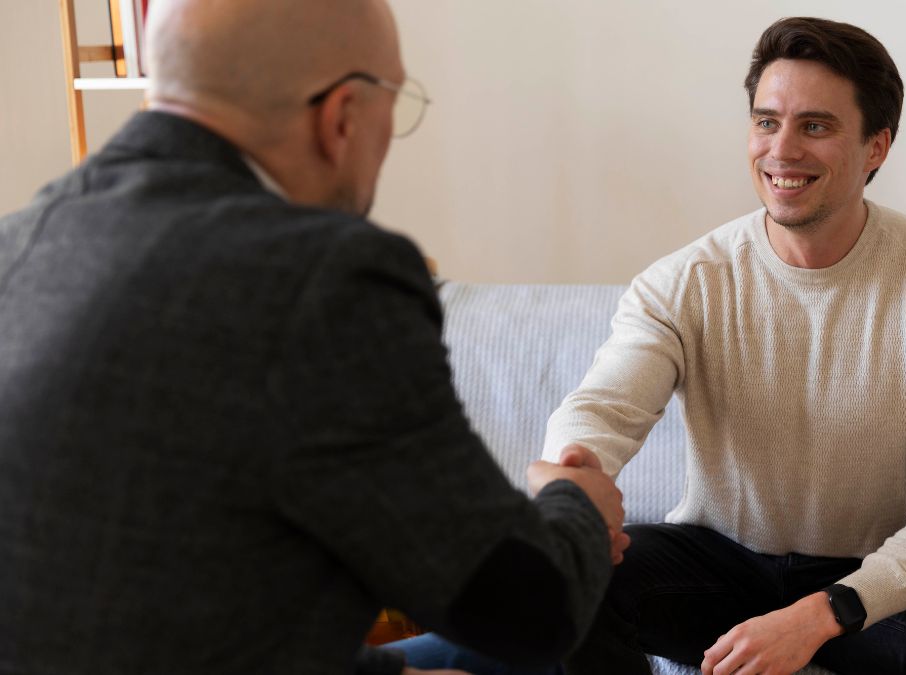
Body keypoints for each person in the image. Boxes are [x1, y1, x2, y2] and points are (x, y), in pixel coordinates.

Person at [0, 1, 628, 673]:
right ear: (343, 116)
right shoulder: (323, 277)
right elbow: (528, 611)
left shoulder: (23, 238)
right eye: (397, 101)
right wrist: (579, 507)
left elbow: (158, 599)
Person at [543, 17, 906, 675]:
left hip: (868, 576)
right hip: (719, 564)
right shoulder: (685, 281)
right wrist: (571, 471)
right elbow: (603, 407)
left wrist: (817, 616)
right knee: (563, 583)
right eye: (766, 122)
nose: (781, 150)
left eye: (815, 126)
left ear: (876, 147)